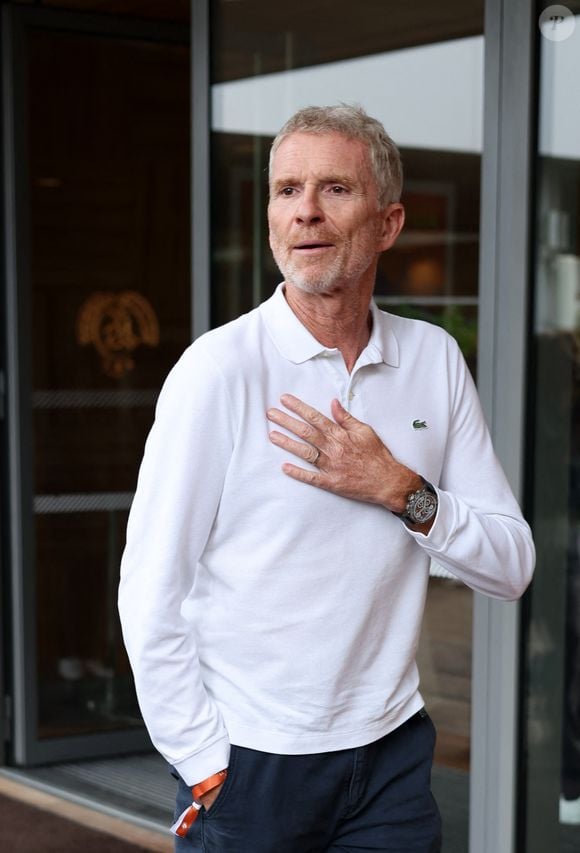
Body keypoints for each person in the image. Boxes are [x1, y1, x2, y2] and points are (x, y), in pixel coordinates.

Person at [118, 104, 535, 852]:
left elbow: (511, 564)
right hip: (252, 763)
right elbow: (150, 589)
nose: (304, 211)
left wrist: (399, 487)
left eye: (334, 189)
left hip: (391, 757)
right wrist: (203, 759)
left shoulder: (433, 359)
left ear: (389, 223)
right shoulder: (220, 371)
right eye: (285, 190)